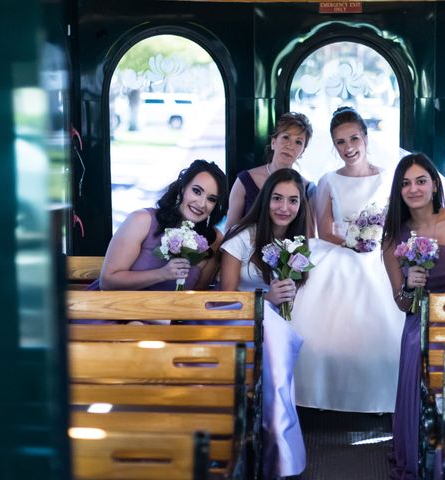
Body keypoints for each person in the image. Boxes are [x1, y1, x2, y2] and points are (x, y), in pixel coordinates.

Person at [290, 106, 405, 413]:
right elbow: (324, 230)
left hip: (378, 254)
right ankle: (325, 394)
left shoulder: (388, 178)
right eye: (340, 142)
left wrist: (372, 244)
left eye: (353, 138)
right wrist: (353, 242)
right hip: (339, 252)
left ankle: (381, 396)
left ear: (366, 138)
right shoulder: (329, 180)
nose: (348, 147)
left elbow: (395, 224)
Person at [382, 153, 445, 480]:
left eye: (421, 181)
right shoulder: (394, 237)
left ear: (434, 185)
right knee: (417, 345)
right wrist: (409, 286)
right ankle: (424, 457)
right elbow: (403, 304)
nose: (414, 188)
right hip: (421, 320)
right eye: (405, 183)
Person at [220, 168, 309, 479]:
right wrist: (264, 299)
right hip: (236, 322)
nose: (284, 207)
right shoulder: (242, 237)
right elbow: (225, 297)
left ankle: (277, 435)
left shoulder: (299, 244)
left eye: (293, 200)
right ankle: (276, 434)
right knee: (271, 328)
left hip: (273, 325)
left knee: (276, 328)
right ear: (265, 200)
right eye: (277, 198)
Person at [90, 159, 227, 292]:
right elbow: (107, 281)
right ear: (182, 189)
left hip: (171, 313)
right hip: (115, 311)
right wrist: (162, 274)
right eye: (197, 191)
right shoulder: (141, 220)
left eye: (211, 199)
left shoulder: (213, 240)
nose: (202, 203)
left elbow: (198, 294)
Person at [225, 112, 315, 234]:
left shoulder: (308, 188)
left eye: (298, 142)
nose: (290, 146)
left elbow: (309, 239)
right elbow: (229, 231)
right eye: (286, 137)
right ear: (273, 142)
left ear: (302, 152)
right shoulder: (244, 181)